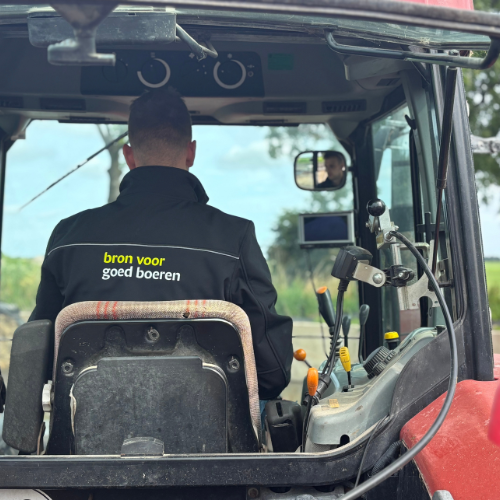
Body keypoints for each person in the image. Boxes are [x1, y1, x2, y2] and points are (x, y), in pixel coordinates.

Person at [30, 88, 293, 401]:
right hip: (209, 432)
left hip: (84, 432)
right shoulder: (234, 238)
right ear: (191, 152)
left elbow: (37, 362)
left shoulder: (68, 238)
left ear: (129, 156)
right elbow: (272, 374)